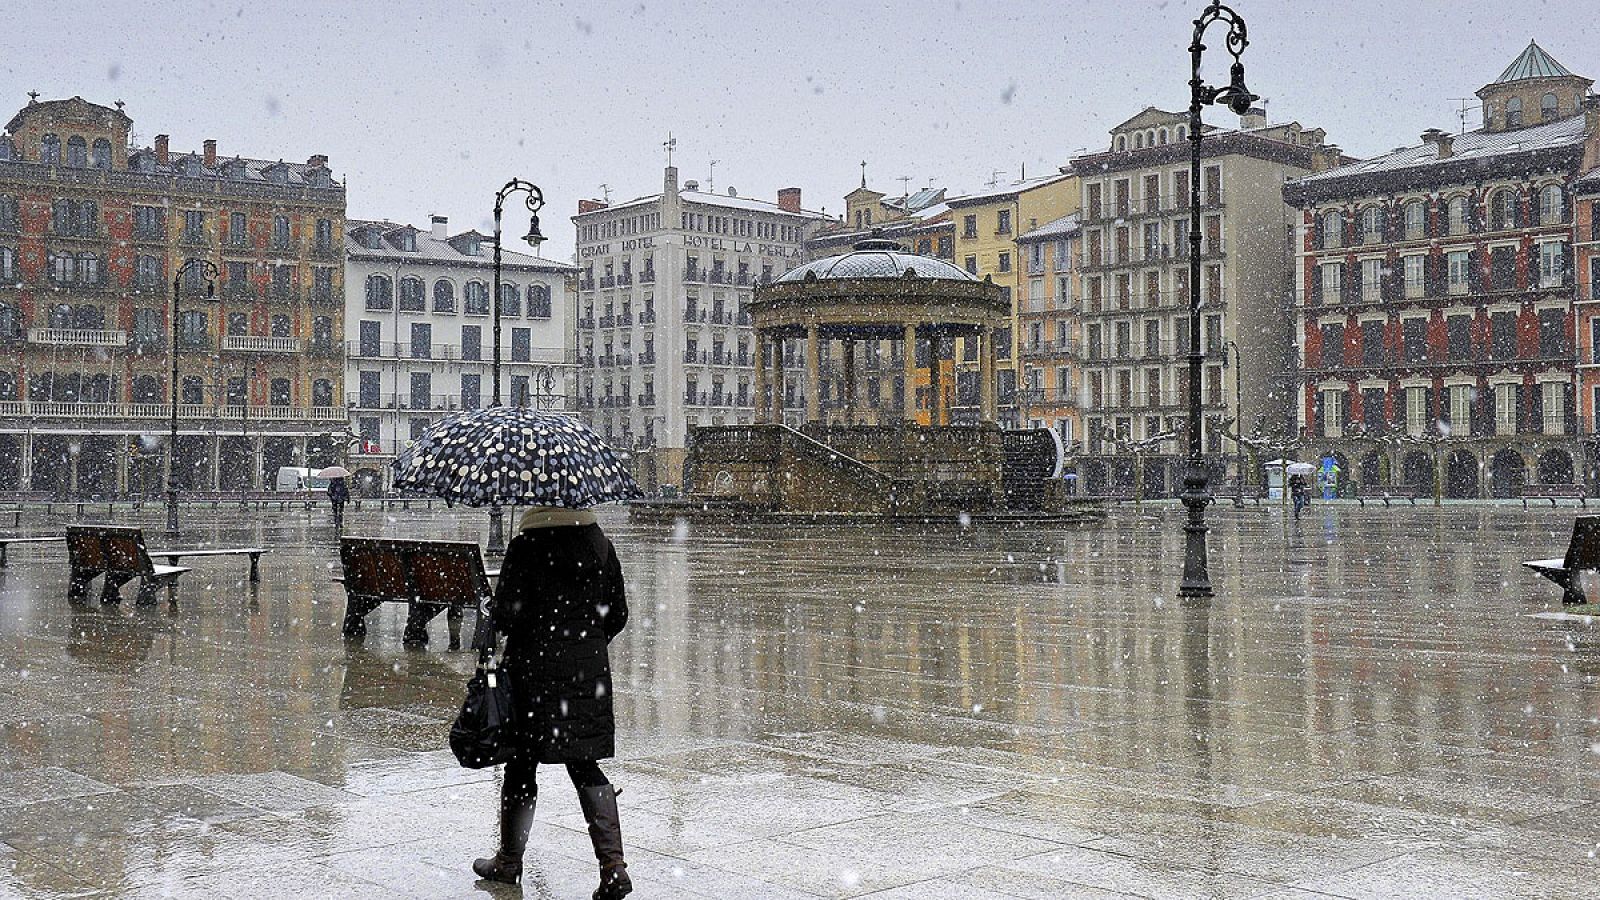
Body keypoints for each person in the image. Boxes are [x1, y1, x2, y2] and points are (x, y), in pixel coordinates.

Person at [473, 505, 631, 899]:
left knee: (522, 763)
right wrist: (587, 642)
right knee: (584, 764)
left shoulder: (526, 543)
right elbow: (618, 613)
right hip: (585, 669)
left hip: (532, 669)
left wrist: (497, 608)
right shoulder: (599, 544)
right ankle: (613, 868)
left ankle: (509, 862)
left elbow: (508, 616)